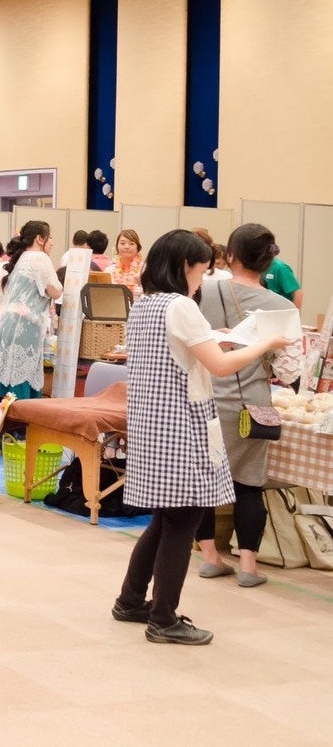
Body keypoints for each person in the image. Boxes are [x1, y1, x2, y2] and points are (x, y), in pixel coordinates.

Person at [111, 229, 292, 646]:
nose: (202, 279)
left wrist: (218, 337)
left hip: (152, 424)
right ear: (184, 266)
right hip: (182, 423)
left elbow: (185, 350)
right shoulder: (181, 306)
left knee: (165, 518)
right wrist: (264, 342)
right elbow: (221, 367)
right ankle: (164, 618)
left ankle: (130, 600)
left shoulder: (145, 303)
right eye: (201, 270)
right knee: (183, 520)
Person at [193, 224, 298, 588]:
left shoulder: (203, 290)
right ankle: (249, 567)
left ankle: (210, 558)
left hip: (203, 397)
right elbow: (288, 371)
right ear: (269, 261)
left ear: (230, 255)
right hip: (252, 406)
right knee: (250, 484)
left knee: (204, 480)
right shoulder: (282, 307)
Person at [0, 221, 62, 403]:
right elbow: (55, 291)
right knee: (20, 381)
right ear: (40, 239)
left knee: (6, 381)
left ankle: (2, 421)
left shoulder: (20, 258)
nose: (52, 242)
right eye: (49, 237)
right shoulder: (39, 258)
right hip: (23, 325)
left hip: (6, 323)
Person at [111, 228, 143, 295]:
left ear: (138, 248)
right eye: (122, 243)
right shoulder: (109, 270)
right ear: (117, 247)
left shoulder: (145, 270)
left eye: (131, 244)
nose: (127, 247)